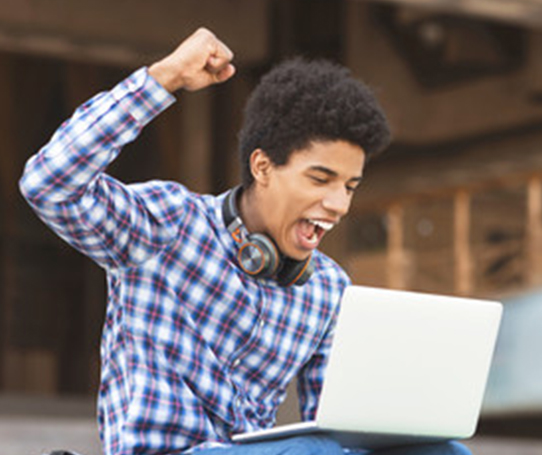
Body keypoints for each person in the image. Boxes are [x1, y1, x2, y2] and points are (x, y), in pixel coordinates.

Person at [20, 28, 471, 455]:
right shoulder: (168, 225)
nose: (339, 204)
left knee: (443, 451)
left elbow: (336, 431)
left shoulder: (328, 289)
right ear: (262, 167)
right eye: (321, 178)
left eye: (350, 186)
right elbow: (49, 183)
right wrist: (166, 77)